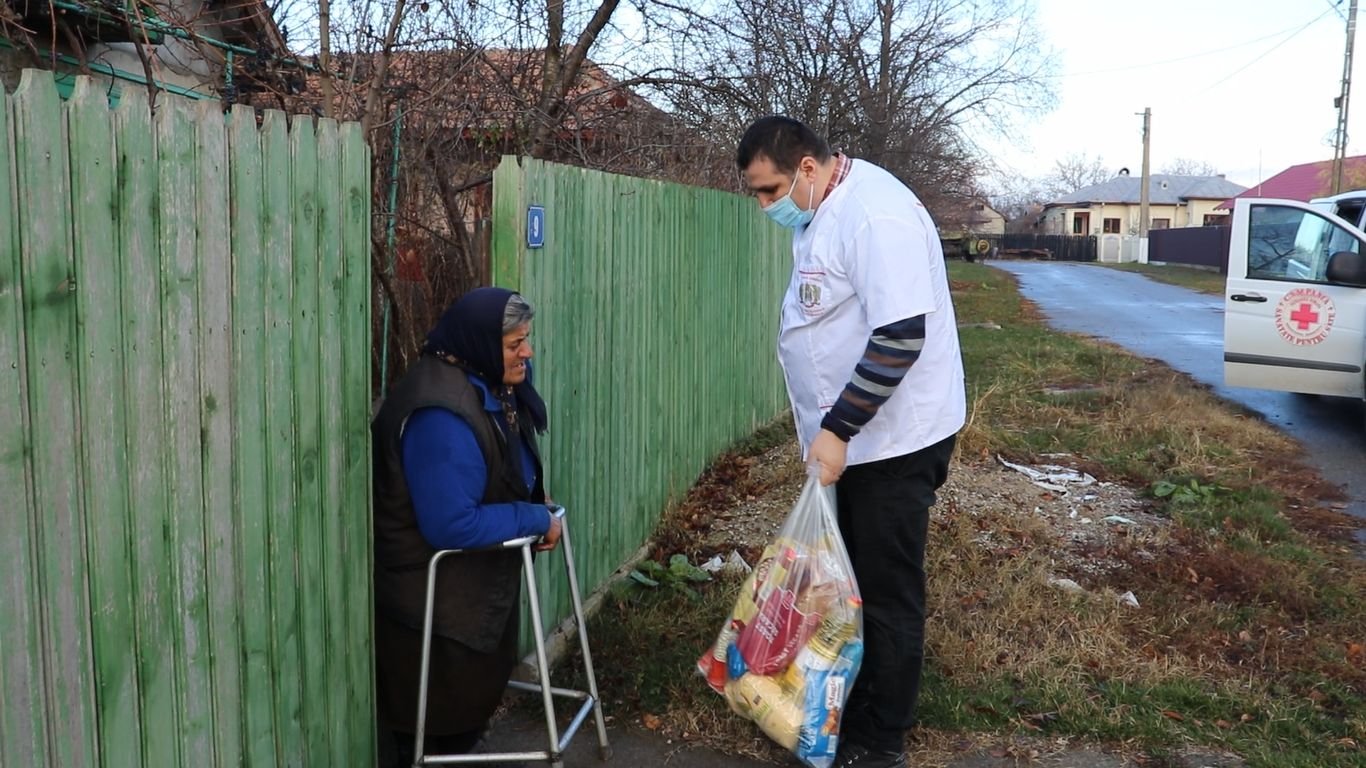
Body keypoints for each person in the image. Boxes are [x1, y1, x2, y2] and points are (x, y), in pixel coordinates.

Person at [736, 116, 966, 768]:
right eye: (757, 192)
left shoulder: (874, 216)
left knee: (886, 589)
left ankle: (880, 739)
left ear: (807, 167)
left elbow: (900, 336)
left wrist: (837, 429)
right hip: (856, 438)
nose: (765, 205)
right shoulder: (824, 207)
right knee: (852, 580)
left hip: (894, 440)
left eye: (770, 189)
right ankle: (846, 706)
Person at [370, 287, 561, 767]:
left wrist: (535, 503)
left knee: (465, 719)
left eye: (527, 340)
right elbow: (451, 523)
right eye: (515, 344)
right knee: (441, 731)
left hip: (465, 596)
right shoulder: (441, 415)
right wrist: (533, 518)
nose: (527, 352)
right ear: (480, 343)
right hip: (432, 611)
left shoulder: (482, 379)